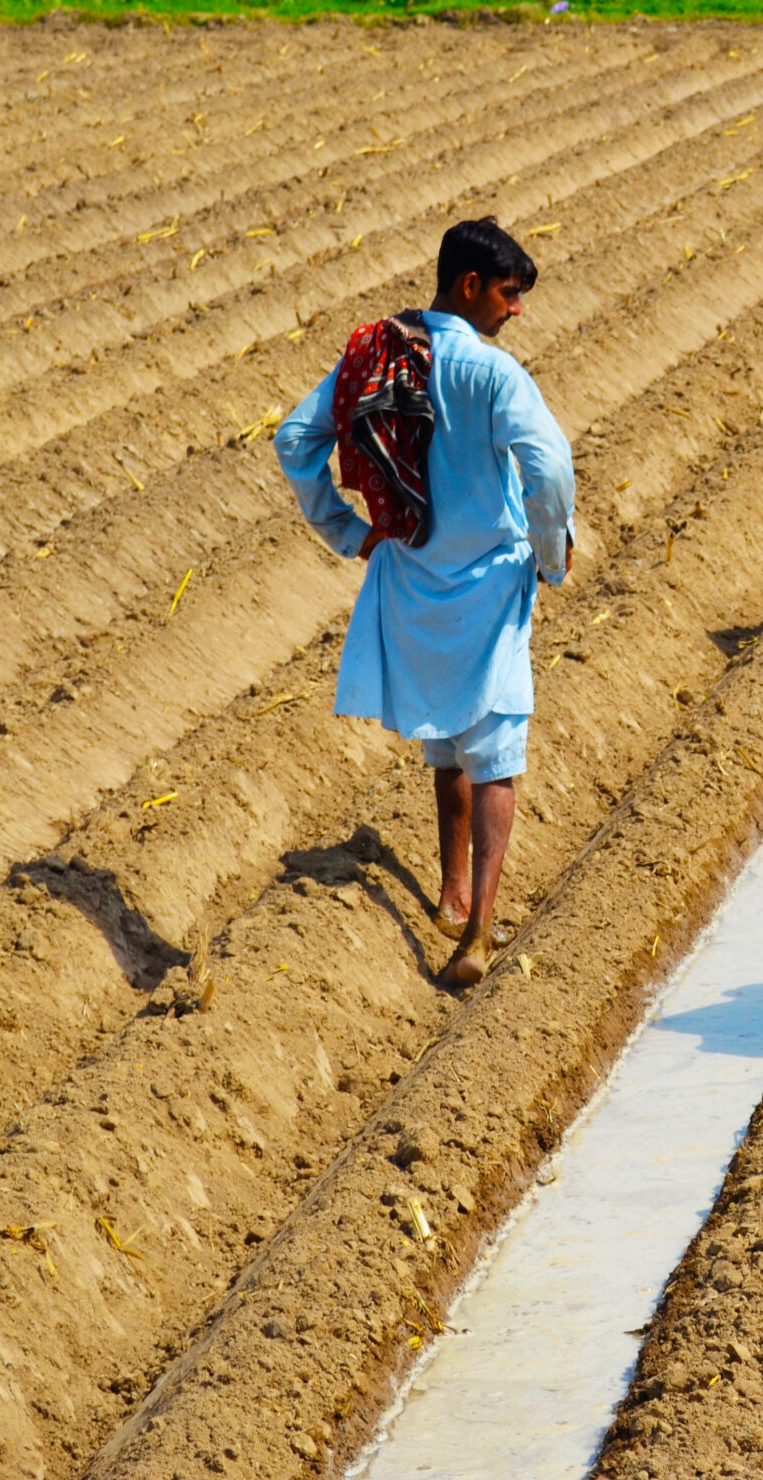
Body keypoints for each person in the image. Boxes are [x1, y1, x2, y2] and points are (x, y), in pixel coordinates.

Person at [276, 218, 575, 989]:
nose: (517, 310)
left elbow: (293, 440)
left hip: (413, 579)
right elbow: (549, 466)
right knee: (497, 759)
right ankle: (477, 934)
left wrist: (348, 532)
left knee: (444, 741)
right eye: (510, 294)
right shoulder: (493, 375)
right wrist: (549, 553)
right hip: (489, 585)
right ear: (470, 286)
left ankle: (451, 894)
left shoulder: (379, 355)